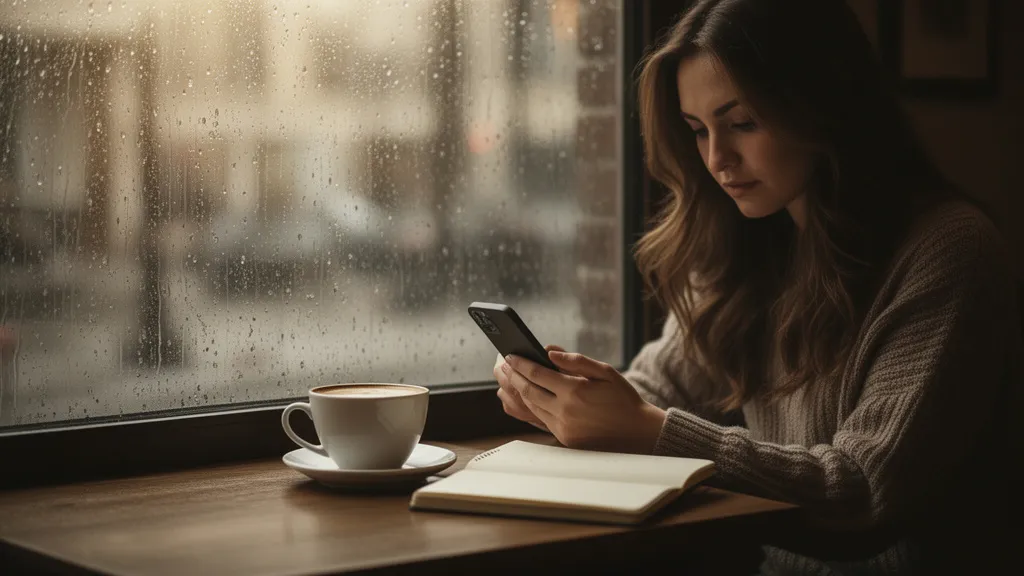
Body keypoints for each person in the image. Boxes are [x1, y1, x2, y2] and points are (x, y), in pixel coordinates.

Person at [492, 0, 1022, 573]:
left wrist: (650, 430)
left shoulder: (949, 251)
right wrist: (564, 394)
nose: (717, 160)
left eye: (742, 123)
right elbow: (661, 384)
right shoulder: (749, 246)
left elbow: (863, 493)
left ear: (822, 105)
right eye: (698, 130)